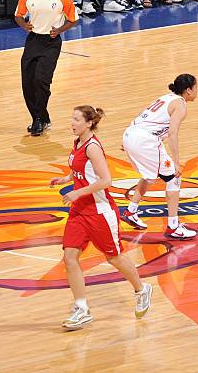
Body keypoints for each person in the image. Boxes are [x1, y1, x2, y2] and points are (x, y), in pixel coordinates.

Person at [51, 106, 153, 330]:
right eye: (72, 118)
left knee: (114, 257)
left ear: (89, 123)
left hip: (100, 211)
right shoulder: (78, 142)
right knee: (69, 258)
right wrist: (65, 179)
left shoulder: (93, 147)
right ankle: (81, 308)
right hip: (80, 211)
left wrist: (76, 192)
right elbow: (79, 169)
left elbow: (106, 180)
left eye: (76, 119)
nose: (72, 122)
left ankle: (141, 289)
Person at [121, 74, 198, 240]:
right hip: (144, 140)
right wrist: (176, 163)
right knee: (173, 178)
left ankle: (130, 211)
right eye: (196, 87)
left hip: (130, 133)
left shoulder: (165, 98)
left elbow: (143, 118)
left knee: (149, 176)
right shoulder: (180, 106)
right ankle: (173, 226)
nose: (197, 91)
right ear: (189, 90)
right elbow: (172, 133)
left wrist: (130, 142)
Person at [15, 0, 78, 137]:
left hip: (51, 43)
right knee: (27, 83)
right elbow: (18, 16)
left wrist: (59, 30)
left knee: (41, 81)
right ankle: (41, 117)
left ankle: (38, 120)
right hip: (33, 40)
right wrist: (24, 25)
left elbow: (73, 19)